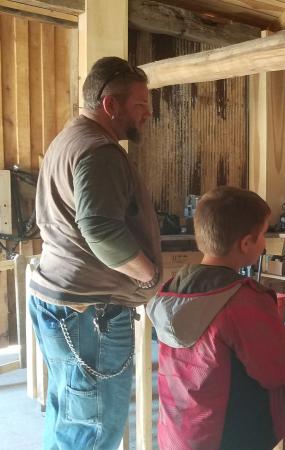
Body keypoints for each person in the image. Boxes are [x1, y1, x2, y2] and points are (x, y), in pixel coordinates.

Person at [28, 56, 161, 449]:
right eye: (140, 105)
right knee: (93, 430)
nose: (147, 114)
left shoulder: (67, 139)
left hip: (64, 301)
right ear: (110, 105)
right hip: (91, 315)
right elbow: (101, 229)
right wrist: (147, 275)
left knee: (69, 418)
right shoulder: (100, 151)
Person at [147, 186, 285, 450]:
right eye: (263, 234)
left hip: (179, 435)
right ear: (245, 243)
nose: (265, 243)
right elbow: (281, 367)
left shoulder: (173, 290)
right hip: (230, 438)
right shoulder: (242, 300)